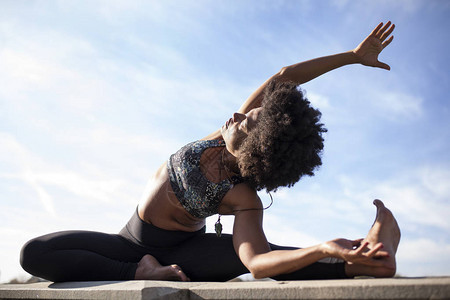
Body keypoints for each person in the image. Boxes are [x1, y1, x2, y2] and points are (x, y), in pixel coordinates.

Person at [20, 21, 400, 282]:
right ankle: (139, 271)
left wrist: (321, 247)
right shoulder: (221, 135)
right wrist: (352, 56)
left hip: (181, 254)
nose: (237, 114)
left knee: (261, 254)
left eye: (247, 121)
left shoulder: (242, 196)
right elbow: (284, 76)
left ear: (256, 149)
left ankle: (369, 258)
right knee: (33, 254)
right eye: (247, 113)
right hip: (129, 240)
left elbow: (258, 262)